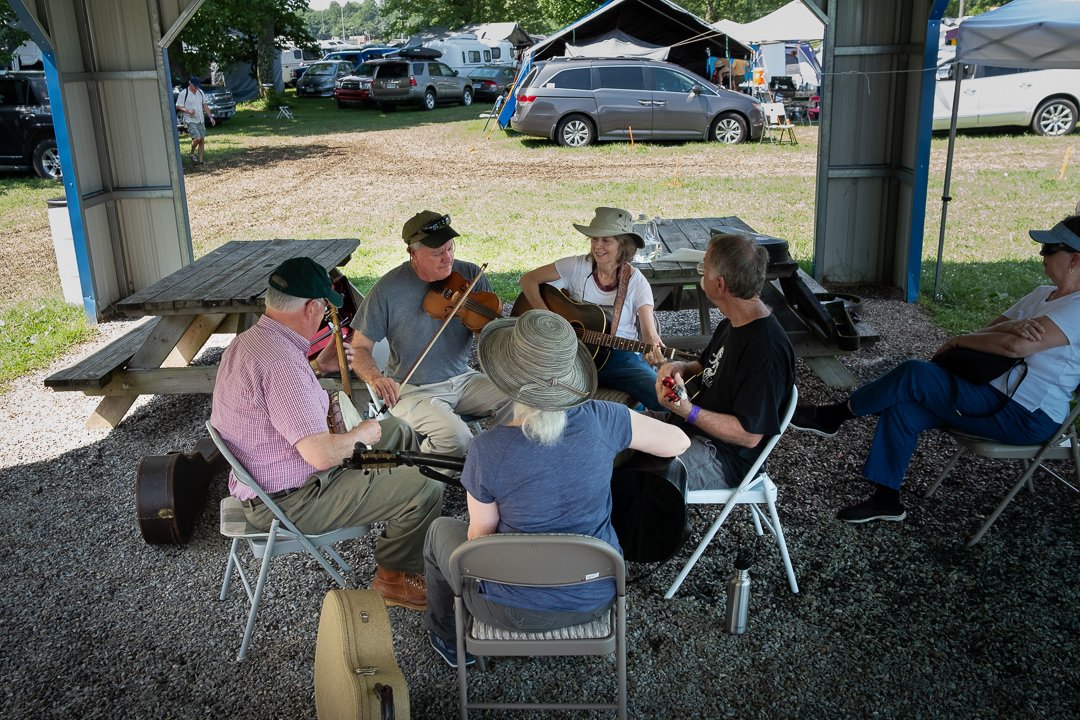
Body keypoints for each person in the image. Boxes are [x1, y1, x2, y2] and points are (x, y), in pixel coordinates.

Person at [423, 310, 691, 667]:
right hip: (596, 594)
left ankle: (451, 643)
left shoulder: (487, 449)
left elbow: (479, 545)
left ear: (509, 379)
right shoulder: (603, 418)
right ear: (571, 375)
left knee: (440, 530)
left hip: (508, 610)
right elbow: (679, 443)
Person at [791, 215, 1080, 524]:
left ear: (1075, 258)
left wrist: (959, 341)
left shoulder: (1076, 308)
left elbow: (1015, 348)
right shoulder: (1040, 295)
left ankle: (833, 416)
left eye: (1049, 249)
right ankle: (886, 500)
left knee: (915, 373)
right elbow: (989, 331)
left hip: (1027, 415)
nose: (1041, 255)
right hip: (987, 394)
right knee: (902, 408)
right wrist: (1009, 327)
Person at [211, 257, 444, 610]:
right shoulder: (282, 364)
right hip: (291, 500)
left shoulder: (250, 342)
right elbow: (320, 455)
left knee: (397, 431)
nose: (324, 316)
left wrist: (318, 367)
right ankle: (392, 578)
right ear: (311, 307)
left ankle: (403, 529)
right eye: (324, 309)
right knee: (427, 482)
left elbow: (276, 396)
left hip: (265, 481)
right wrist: (360, 434)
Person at [350, 211, 512, 457]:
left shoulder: (470, 277)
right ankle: (418, 483)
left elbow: (487, 342)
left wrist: (491, 336)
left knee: (523, 399)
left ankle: (503, 467)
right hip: (412, 388)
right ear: (413, 253)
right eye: (437, 253)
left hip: (463, 379)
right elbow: (359, 348)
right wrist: (375, 377)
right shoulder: (388, 289)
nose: (447, 258)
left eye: (450, 248)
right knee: (457, 438)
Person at [651, 232, 795, 491]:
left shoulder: (765, 351)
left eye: (702, 269)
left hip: (723, 456)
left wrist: (687, 410)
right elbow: (704, 365)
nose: (700, 275)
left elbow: (749, 436)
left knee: (644, 480)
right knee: (615, 426)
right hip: (690, 430)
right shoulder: (733, 322)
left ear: (719, 284)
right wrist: (678, 367)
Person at [519, 207, 665, 410]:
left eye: (606, 240)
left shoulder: (635, 281)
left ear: (623, 244)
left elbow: (650, 333)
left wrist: (654, 348)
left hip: (620, 357)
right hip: (573, 356)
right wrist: (547, 316)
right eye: (594, 239)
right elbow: (528, 280)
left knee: (661, 396)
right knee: (538, 397)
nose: (598, 246)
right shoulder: (577, 266)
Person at [175, 76, 215, 165]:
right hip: (190, 119)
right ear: (190, 83)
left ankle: (200, 161)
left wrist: (210, 117)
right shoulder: (184, 93)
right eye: (195, 86)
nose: (196, 88)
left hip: (200, 118)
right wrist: (188, 111)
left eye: (198, 86)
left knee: (202, 140)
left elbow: (205, 105)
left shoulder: (200, 92)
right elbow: (178, 106)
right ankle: (192, 153)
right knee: (197, 138)